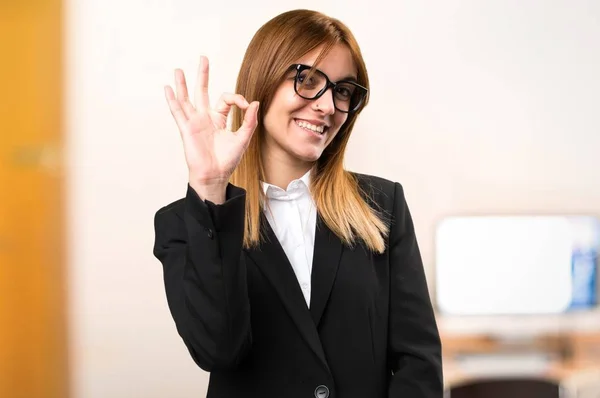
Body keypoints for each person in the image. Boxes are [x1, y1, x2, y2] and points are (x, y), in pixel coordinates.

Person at [153, 8, 443, 398]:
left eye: (343, 90)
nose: (327, 106)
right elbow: (217, 349)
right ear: (264, 80)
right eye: (307, 80)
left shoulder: (382, 205)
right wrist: (210, 185)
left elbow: (418, 363)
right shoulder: (190, 220)